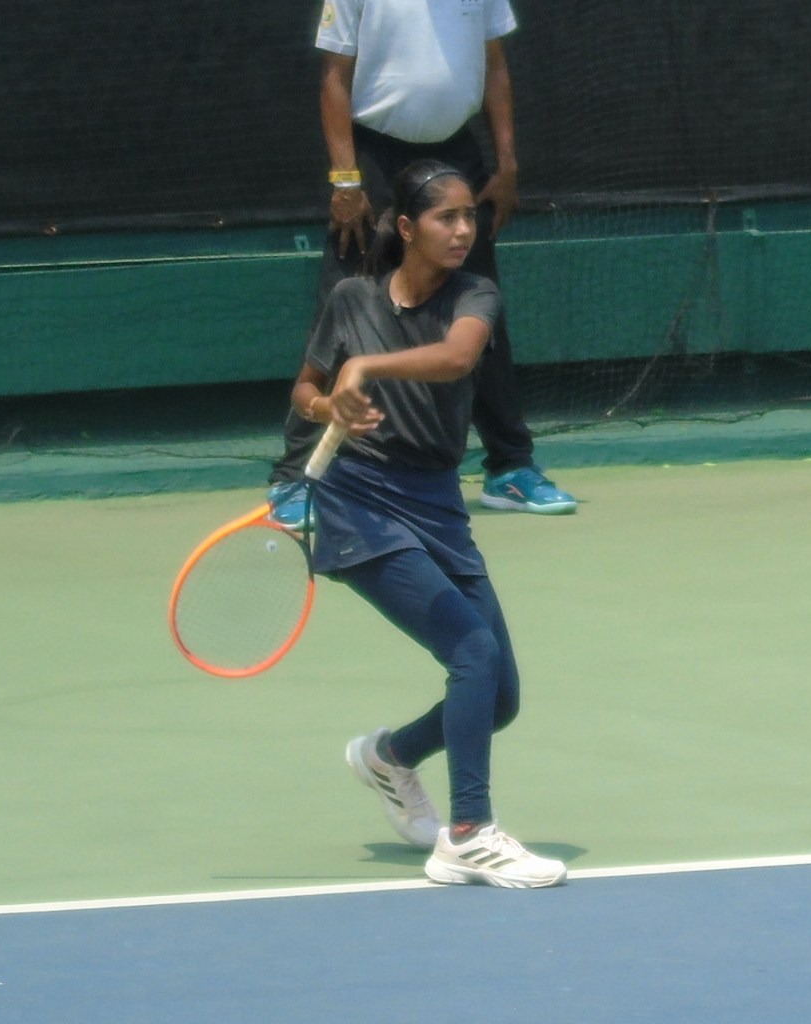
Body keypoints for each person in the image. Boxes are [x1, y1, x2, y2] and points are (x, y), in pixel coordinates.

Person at [291, 159, 566, 888]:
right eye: (448, 217)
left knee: (498, 697)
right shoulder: (351, 297)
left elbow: (455, 357)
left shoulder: (475, 294)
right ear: (409, 228)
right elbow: (305, 389)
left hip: (437, 501)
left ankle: (389, 757)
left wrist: (366, 368)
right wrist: (329, 405)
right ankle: (468, 834)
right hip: (358, 502)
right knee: (471, 648)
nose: (464, 229)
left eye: (470, 216)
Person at [267, 0, 577, 529]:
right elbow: (335, 77)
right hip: (372, 159)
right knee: (344, 308)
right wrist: (346, 178)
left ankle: (510, 467)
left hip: (458, 157)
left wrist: (506, 163)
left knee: (480, 311)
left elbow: (495, 65)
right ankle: (297, 477)